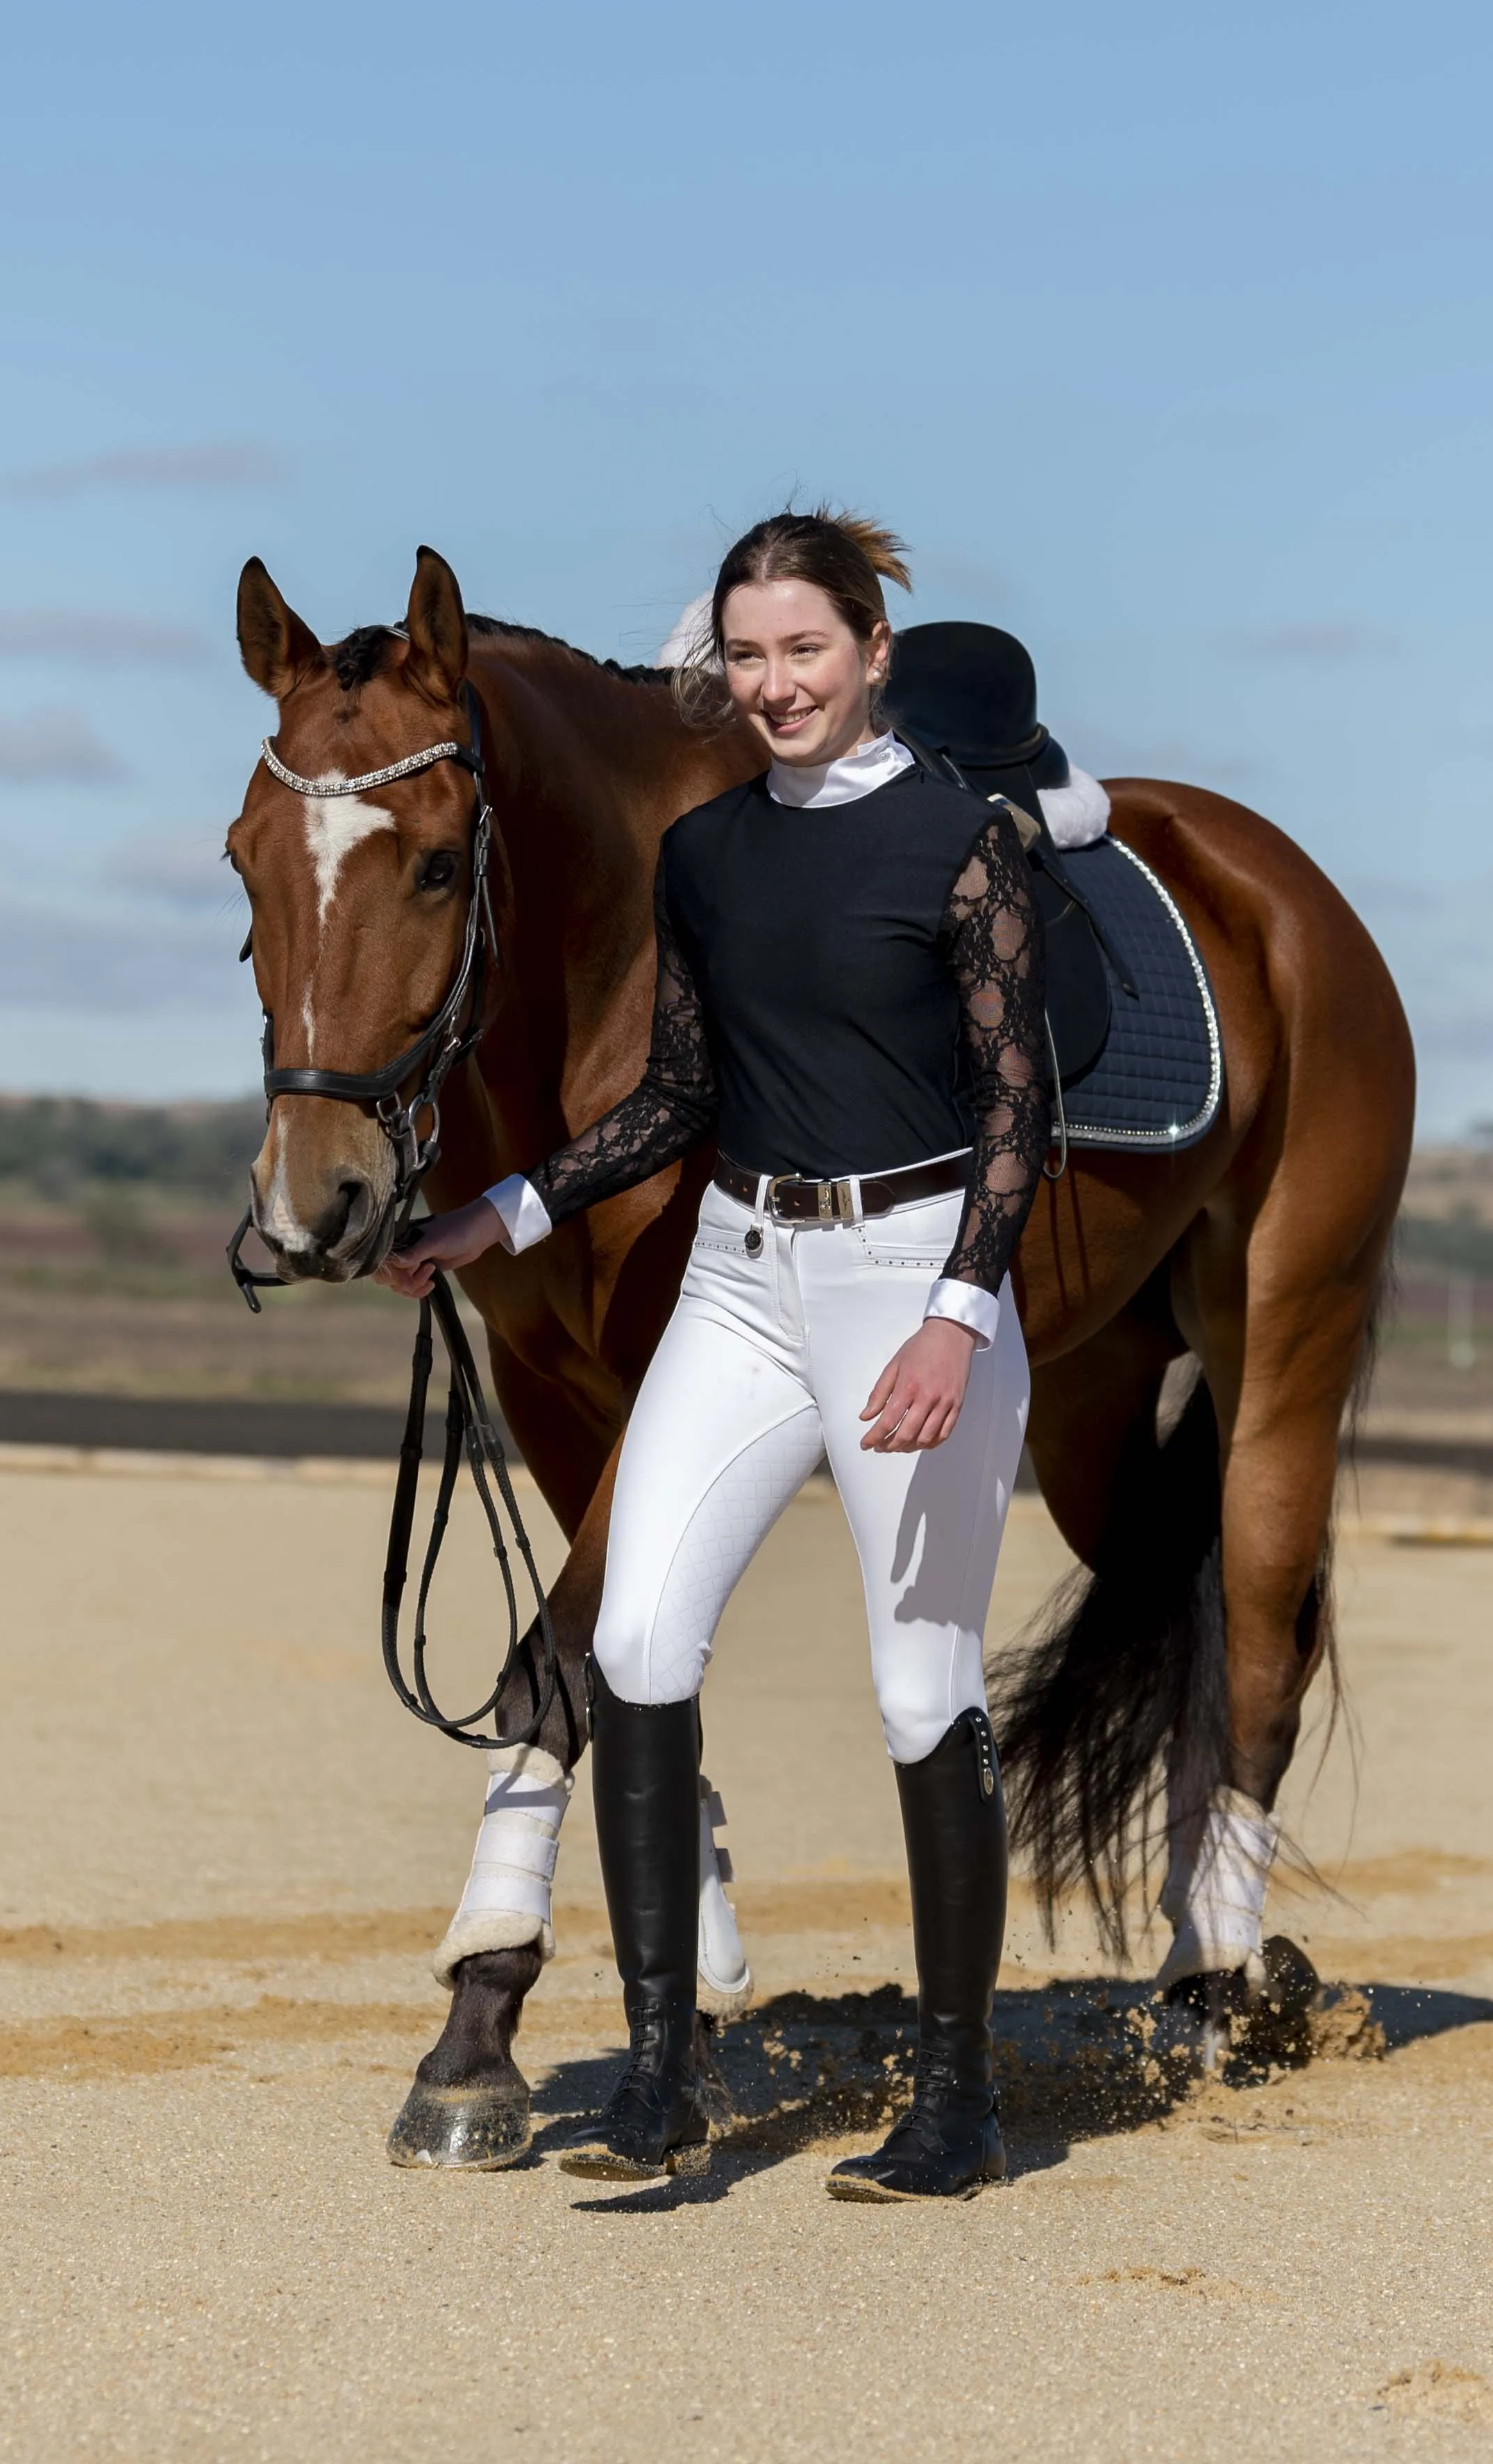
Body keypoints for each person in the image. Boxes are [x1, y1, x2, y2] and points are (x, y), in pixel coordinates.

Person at [383, 509, 1046, 2200]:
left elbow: (1016, 1110)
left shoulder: (963, 842)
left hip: (914, 1279)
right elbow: (674, 1094)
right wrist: (502, 1212)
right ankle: (664, 2075)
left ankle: (957, 2098)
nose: (775, 684)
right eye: (747, 656)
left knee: (920, 1686)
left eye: (805, 650)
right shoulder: (712, 855)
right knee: (640, 1634)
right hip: (743, 1278)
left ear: (871, 650)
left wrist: (960, 1316)